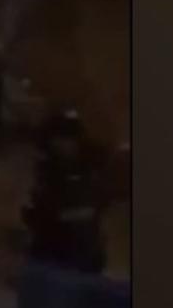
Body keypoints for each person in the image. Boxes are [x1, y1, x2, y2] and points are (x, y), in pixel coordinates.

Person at [23, 107, 108, 273]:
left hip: (80, 256)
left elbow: (95, 208)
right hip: (53, 256)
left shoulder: (89, 170)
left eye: (68, 139)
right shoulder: (46, 170)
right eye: (60, 139)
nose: (64, 145)